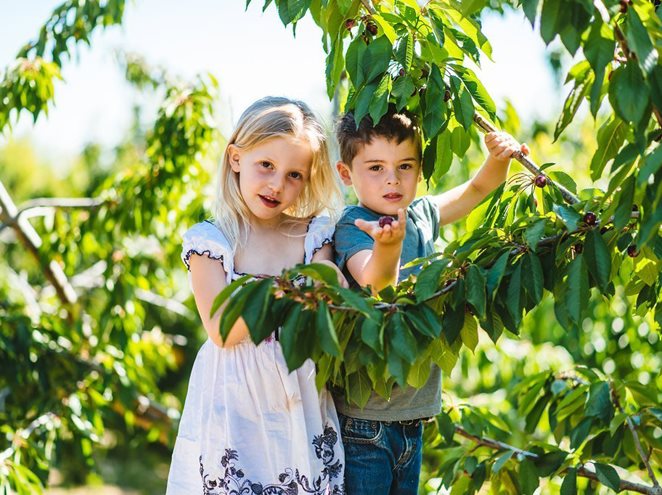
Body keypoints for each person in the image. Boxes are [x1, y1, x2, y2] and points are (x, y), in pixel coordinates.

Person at [332, 107, 525, 494]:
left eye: (405, 166)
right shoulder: (352, 225)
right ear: (346, 174)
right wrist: (388, 247)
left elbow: (475, 190)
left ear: (420, 170)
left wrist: (498, 159)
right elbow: (376, 283)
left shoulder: (420, 214)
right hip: (364, 422)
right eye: (375, 168)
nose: (393, 179)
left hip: (413, 417)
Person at [166, 97, 346, 495]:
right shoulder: (212, 241)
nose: (277, 184)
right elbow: (222, 328)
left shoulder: (312, 233)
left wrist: (325, 280)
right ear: (235, 158)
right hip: (235, 415)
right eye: (266, 165)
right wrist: (295, 288)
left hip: (297, 408)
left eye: (294, 174)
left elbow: (330, 292)